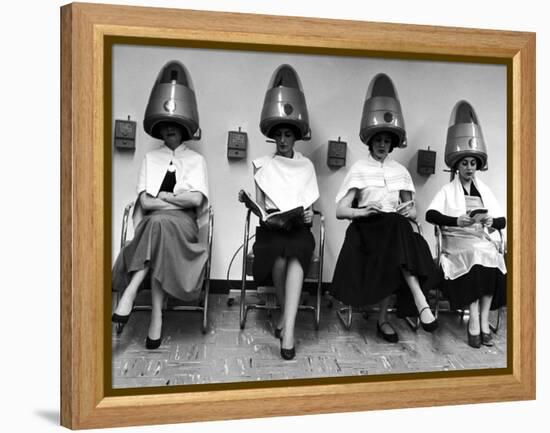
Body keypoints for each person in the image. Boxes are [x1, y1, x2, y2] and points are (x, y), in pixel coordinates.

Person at [331, 73, 439, 344]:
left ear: (392, 143)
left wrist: (408, 212)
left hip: (394, 231)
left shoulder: (400, 172)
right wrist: (363, 212)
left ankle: (389, 315)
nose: (382, 145)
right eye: (378, 140)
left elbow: (412, 213)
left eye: (387, 141)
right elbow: (340, 211)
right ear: (371, 141)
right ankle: (416, 302)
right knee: (397, 230)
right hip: (367, 231)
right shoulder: (359, 169)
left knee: (399, 225)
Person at [111, 61, 209, 350]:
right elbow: (143, 201)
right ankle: (156, 317)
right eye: (165, 126)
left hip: (184, 226)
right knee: (158, 225)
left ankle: (131, 291)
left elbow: (195, 200)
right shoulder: (150, 159)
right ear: (160, 127)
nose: (170, 130)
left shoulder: (196, 160)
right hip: (158, 226)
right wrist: (172, 202)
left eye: (175, 126)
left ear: (183, 127)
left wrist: (164, 199)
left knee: (158, 223)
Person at [239, 64, 319, 360]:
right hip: (272, 230)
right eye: (279, 135)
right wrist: (254, 206)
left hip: (299, 229)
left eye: (288, 134)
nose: (283, 140)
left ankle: (289, 327)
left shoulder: (306, 165)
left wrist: (307, 215)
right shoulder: (261, 164)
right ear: (273, 136)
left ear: (295, 137)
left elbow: (309, 207)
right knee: (278, 255)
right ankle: (286, 318)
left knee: (297, 252)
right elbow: (261, 206)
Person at [426, 100, 506, 348]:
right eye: (464, 164)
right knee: (475, 256)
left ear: (477, 165)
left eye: (473, 163)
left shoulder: (484, 190)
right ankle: (473, 321)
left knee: (491, 255)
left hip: (479, 239)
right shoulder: (447, 190)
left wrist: (492, 220)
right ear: (457, 166)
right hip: (456, 240)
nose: (469, 168)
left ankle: (483, 321)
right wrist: (456, 220)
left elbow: (503, 220)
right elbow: (431, 215)